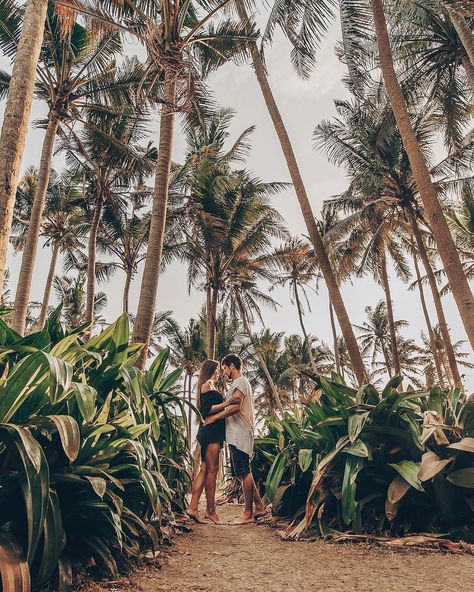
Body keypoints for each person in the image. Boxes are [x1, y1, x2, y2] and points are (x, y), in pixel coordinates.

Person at [204, 354, 268, 524]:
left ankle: (247, 514)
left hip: (240, 433)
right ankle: (260, 507)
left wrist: (215, 418)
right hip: (235, 434)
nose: (224, 371)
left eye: (224, 368)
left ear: (232, 366)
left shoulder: (240, 382)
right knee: (241, 473)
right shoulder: (237, 383)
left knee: (244, 472)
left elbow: (236, 405)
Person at [185, 359, 237, 524]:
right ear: (210, 370)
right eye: (216, 369)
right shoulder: (207, 385)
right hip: (211, 432)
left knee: (205, 469)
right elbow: (206, 410)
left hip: (211, 431)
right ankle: (210, 511)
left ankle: (193, 507)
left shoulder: (208, 385)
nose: (218, 372)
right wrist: (228, 403)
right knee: (212, 470)